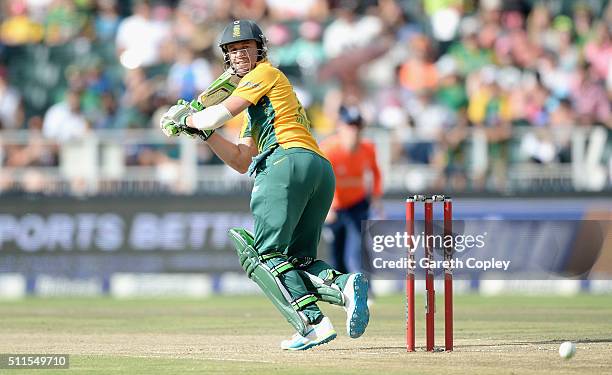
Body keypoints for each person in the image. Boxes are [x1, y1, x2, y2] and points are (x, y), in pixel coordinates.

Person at [158, 20, 369, 350]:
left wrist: (185, 119)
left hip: (284, 163)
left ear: (260, 50)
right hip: (318, 170)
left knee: (262, 255)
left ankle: (313, 324)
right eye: (232, 50)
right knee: (297, 261)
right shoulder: (258, 100)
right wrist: (202, 132)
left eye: (246, 47)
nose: (240, 53)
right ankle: (343, 284)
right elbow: (242, 160)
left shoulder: (263, 74)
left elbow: (212, 116)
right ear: (226, 57)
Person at [321, 106, 383, 275]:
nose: (354, 131)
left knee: (358, 248)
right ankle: (339, 289)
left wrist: (376, 197)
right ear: (340, 126)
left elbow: (376, 172)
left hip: (358, 204)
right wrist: (329, 206)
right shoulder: (329, 149)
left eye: (357, 126)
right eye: (350, 125)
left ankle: (365, 288)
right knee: (337, 252)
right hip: (337, 207)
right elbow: (322, 180)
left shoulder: (368, 148)